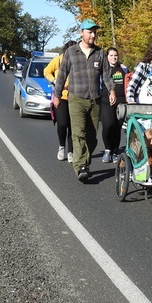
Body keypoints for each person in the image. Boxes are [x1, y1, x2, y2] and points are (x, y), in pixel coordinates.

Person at [52, 19, 116, 182]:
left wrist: (112, 90)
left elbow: (106, 75)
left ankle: (85, 162)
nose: (93, 35)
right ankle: (80, 166)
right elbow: (62, 74)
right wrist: (56, 95)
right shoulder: (71, 52)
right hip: (76, 98)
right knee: (78, 133)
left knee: (92, 136)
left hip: (95, 99)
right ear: (81, 33)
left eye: (95, 32)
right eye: (90, 32)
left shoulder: (100, 53)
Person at [44, 40, 77, 163]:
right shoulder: (58, 60)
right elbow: (46, 71)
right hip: (61, 96)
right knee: (62, 124)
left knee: (73, 126)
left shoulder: (78, 62)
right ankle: (61, 146)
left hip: (75, 97)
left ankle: (71, 151)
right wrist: (54, 81)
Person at [100, 47, 128, 163]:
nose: (113, 57)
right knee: (108, 125)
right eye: (111, 55)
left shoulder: (123, 69)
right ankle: (107, 149)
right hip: (106, 101)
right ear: (107, 57)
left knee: (117, 127)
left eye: (115, 55)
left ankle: (115, 151)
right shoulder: (103, 70)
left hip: (121, 101)